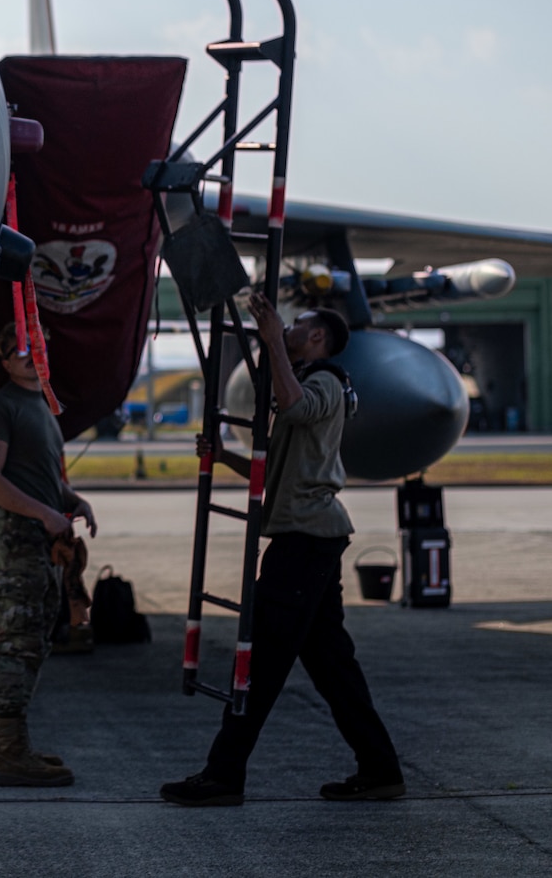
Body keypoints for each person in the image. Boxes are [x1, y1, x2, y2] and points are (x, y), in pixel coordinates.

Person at [161, 293, 404, 806]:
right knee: (333, 667)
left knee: (263, 661)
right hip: (309, 536)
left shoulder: (324, 383)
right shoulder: (308, 382)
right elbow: (274, 473)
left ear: (317, 339)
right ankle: (381, 770)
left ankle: (223, 775)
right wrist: (223, 454)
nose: (287, 328)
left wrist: (272, 339)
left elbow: (296, 406)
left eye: (296, 325)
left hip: (305, 541)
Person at [0, 321, 97, 787]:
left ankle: (11, 745)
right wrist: (47, 516)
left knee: (35, 641)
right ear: (5, 362)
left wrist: (71, 501)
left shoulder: (41, 407)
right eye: (18, 350)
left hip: (39, 541)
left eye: (35, 347)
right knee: (13, 643)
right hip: (14, 541)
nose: (28, 355)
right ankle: (9, 753)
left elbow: (40, 477)